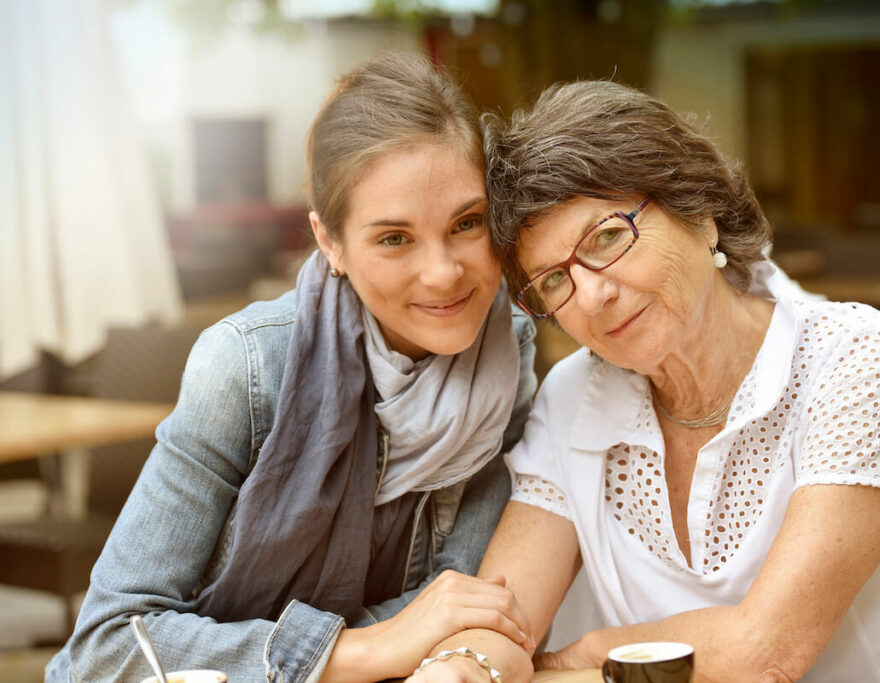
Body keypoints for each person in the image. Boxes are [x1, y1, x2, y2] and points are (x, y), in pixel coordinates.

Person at [410, 80, 880, 683]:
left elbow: (765, 657)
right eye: (553, 281)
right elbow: (503, 618)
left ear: (699, 211)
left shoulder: (855, 359)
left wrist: (585, 654)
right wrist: (461, 667)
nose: (593, 295)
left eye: (607, 238)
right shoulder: (574, 395)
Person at [45, 53, 539, 683]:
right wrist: (364, 648)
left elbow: (464, 605)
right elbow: (109, 644)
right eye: (394, 238)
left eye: (466, 224)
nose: (443, 273)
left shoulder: (505, 358)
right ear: (329, 242)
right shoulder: (249, 366)